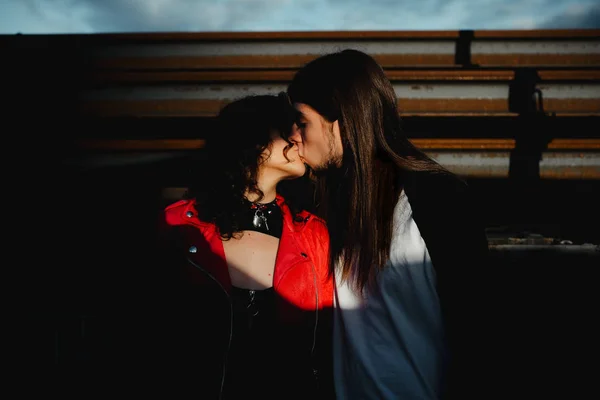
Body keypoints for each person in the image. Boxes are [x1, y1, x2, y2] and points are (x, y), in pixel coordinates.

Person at [286, 49, 490, 399]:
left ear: (343, 120)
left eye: (302, 122)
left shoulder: (437, 200)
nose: (293, 135)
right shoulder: (318, 207)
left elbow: (477, 333)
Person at [154, 94, 335, 399]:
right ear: (252, 142)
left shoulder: (315, 234)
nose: (298, 139)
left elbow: (329, 342)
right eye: (287, 130)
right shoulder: (177, 224)